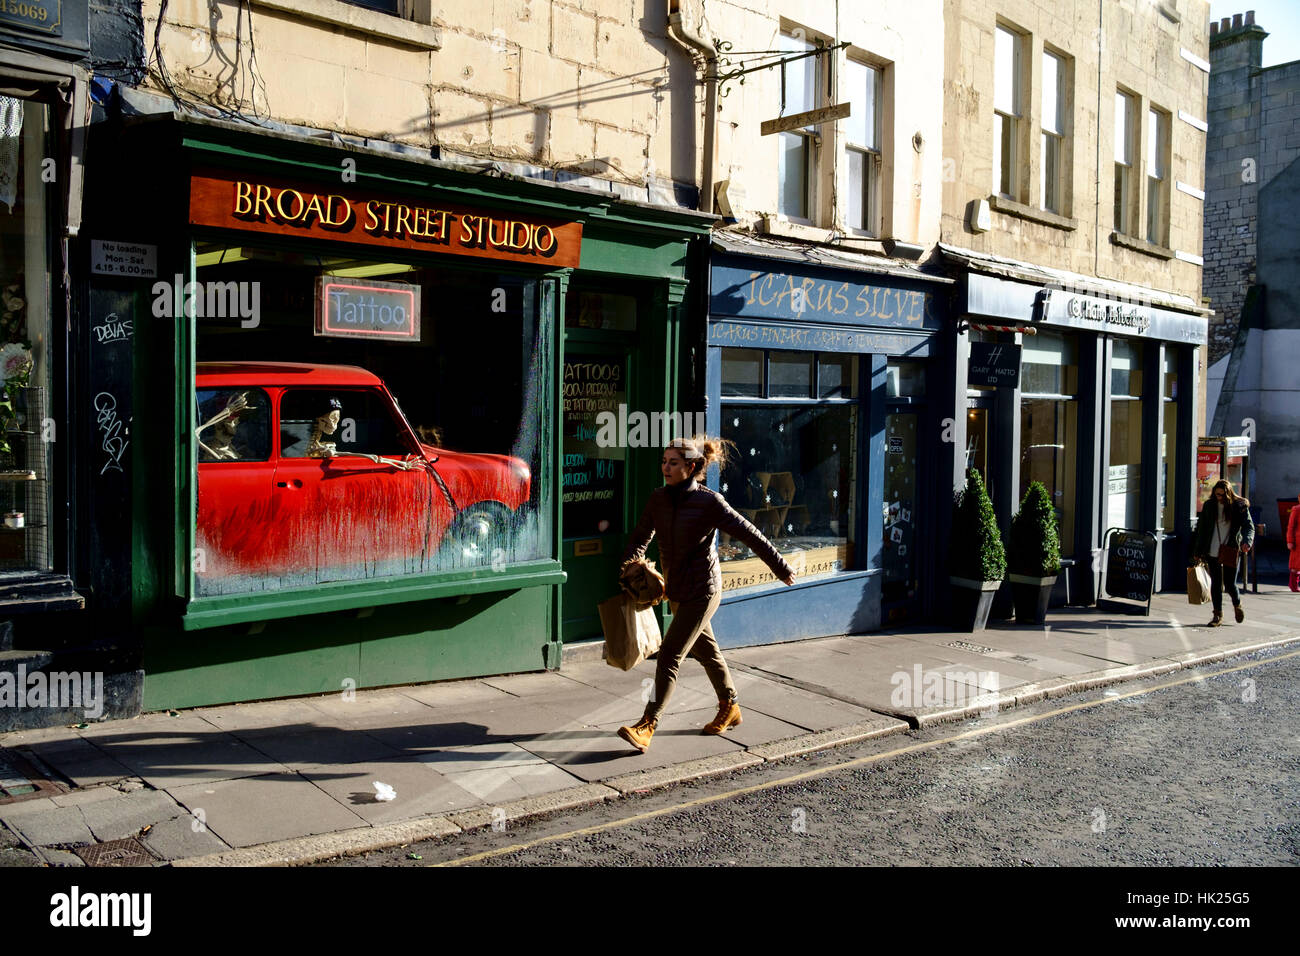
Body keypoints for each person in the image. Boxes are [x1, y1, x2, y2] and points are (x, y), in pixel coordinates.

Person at [616, 436, 796, 753]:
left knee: (670, 654)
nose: (666, 468)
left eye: (673, 463)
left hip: (703, 591)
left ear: (692, 467)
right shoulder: (658, 499)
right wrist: (630, 568)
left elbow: (750, 533)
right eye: (664, 461)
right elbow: (640, 539)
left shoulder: (709, 502)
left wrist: (780, 567)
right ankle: (731, 706)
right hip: (675, 589)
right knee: (708, 652)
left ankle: (647, 724)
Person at [1193, 479, 1255, 626]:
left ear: (1228, 494)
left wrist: (1247, 541)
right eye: (1216, 494)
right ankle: (1217, 615)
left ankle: (1237, 604)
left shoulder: (1238, 507)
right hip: (1212, 549)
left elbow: (1249, 526)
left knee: (1229, 584)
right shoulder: (1209, 506)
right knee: (1215, 583)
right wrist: (1197, 550)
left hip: (1230, 548)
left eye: (1221, 495)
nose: (1219, 497)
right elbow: (1201, 530)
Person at [1288, 494, 1300, 593]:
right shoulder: (1296, 509)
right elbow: (1291, 526)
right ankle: (1293, 585)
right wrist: (1290, 541)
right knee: (1295, 565)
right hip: (1298, 542)